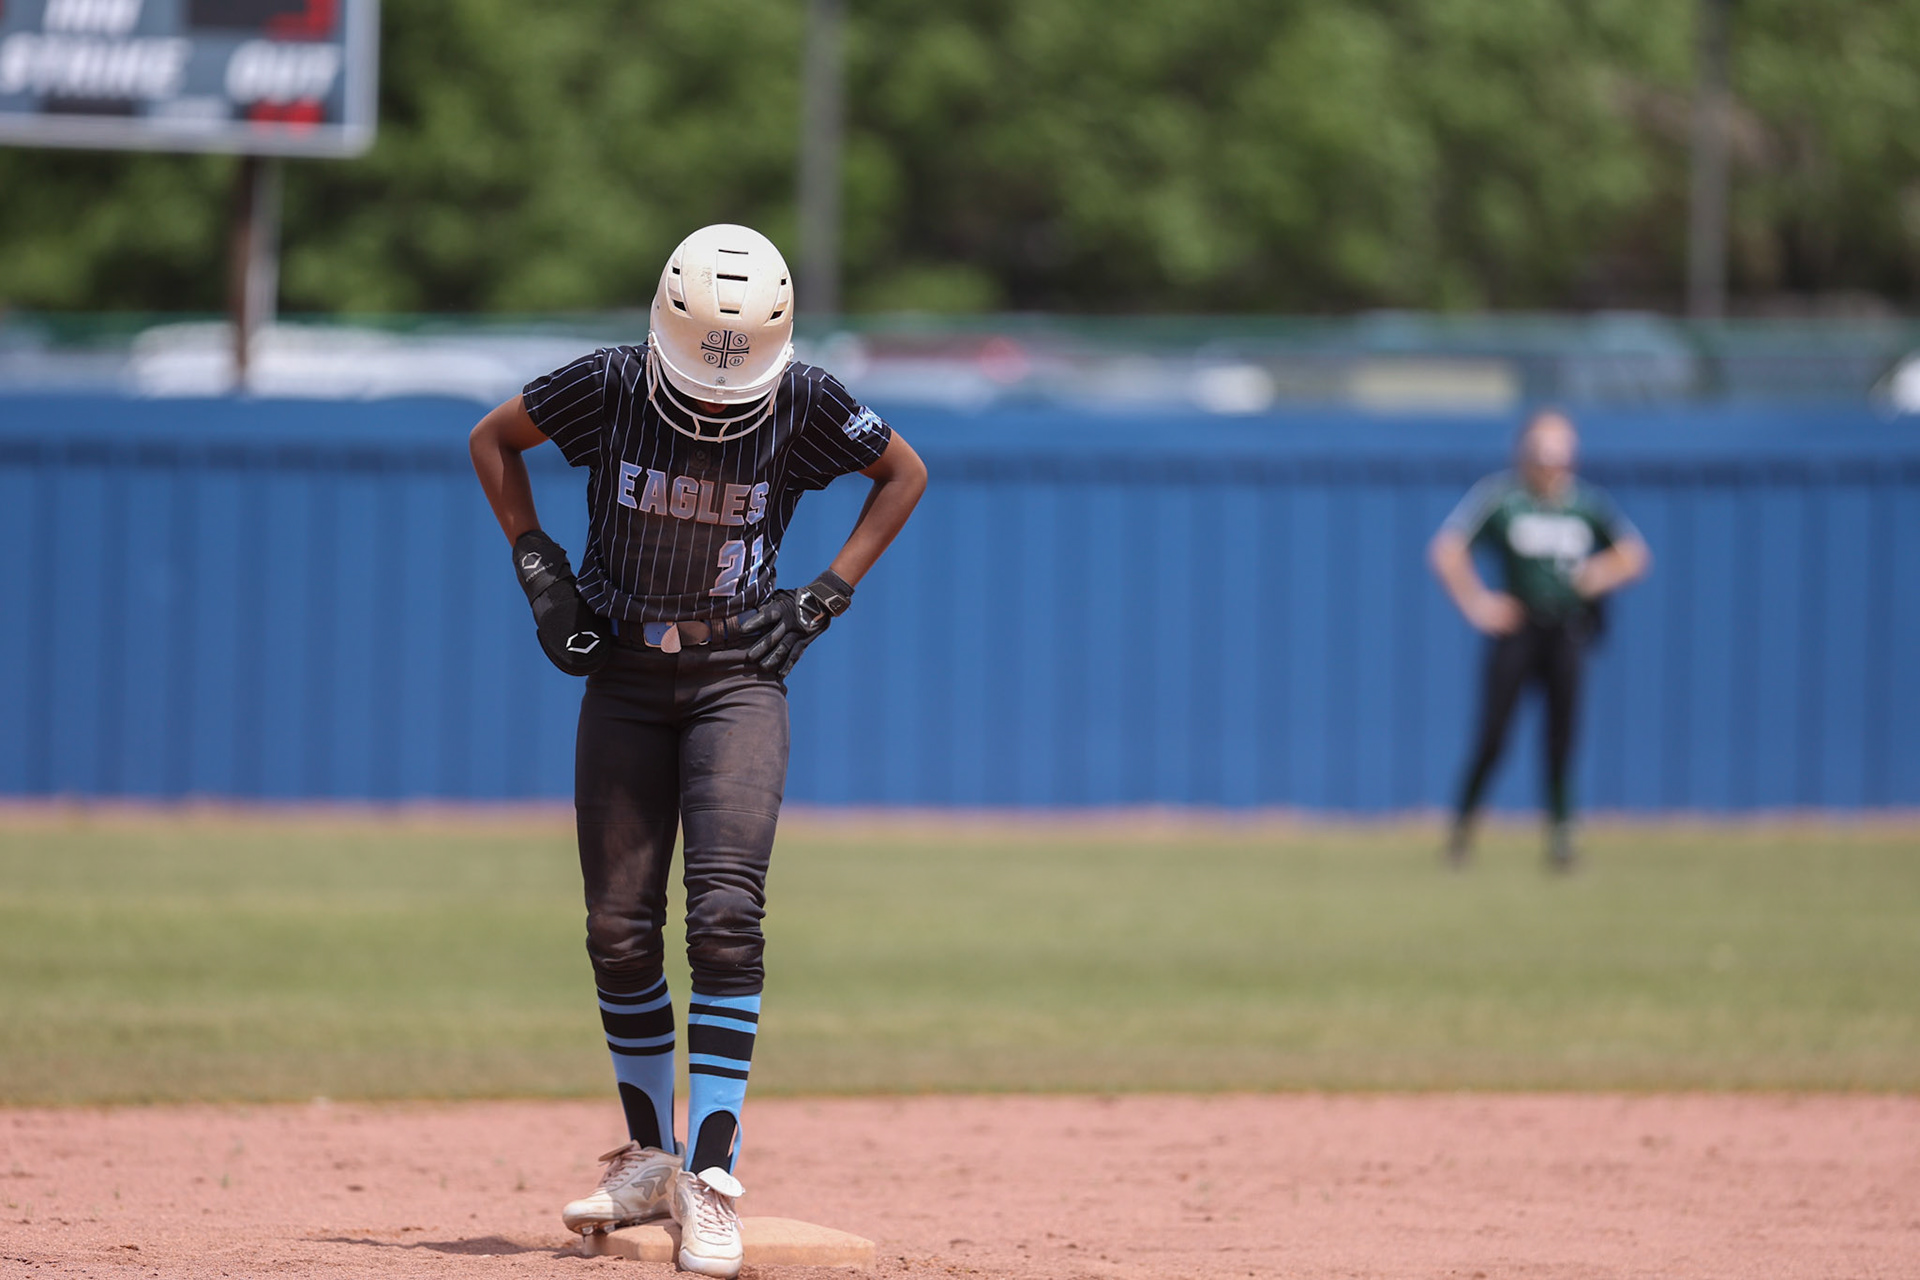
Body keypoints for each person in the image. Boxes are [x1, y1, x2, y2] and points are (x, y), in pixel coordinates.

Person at [468, 224, 926, 1277]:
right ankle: (646, 1158)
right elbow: (493, 440)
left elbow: (902, 473)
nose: (718, 398)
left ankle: (712, 1176)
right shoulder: (612, 385)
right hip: (624, 676)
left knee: (725, 909)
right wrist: (540, 568)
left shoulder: (805, 399)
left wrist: (823, 594)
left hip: (736, 677)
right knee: (619, 922)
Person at [1427, 410, 1649, 871]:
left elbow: (1633, 555)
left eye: (1560, 458)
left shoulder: (1585, 504)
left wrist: (1595, 576)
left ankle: (1563, 840)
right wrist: (1478, 604)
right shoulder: (1503, 499)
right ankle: (1462, 832)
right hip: (1518, 629)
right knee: (1493, 737)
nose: (1552, 469)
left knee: (1562, 737)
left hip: (1567, 630)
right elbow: (1446, 551)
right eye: (1543, 457)